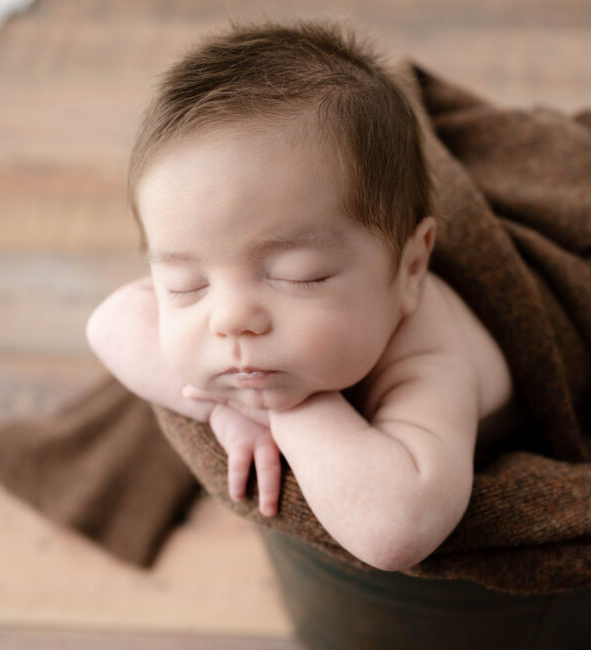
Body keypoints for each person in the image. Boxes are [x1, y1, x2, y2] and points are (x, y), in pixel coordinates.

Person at [86, 20, 519, 571]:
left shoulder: (430, 351)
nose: (231, 318)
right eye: (185, 284)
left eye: (300, 275)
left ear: (411, 268)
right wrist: (226, 415)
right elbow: (110, 322)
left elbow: (396, 529)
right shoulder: (244, 284)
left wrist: (287, 410)